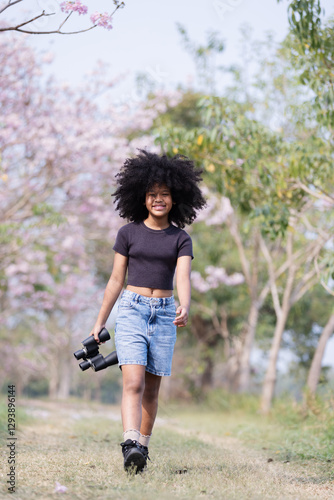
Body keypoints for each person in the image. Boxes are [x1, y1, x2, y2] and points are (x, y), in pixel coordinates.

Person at [90, 149, 206, 473]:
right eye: (153, 194)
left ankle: (141, 448)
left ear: (175, 198)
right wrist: (99, 323)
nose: (158, 200)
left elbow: (183, 276)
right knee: (134, 383)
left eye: (164, 194)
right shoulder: (127, 233)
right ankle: (129, 442)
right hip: (132, 310)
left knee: (152, 390)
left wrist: (185, 304)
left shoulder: (181, 238)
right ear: (142, 198)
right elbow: (115, 280)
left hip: (165, 313)